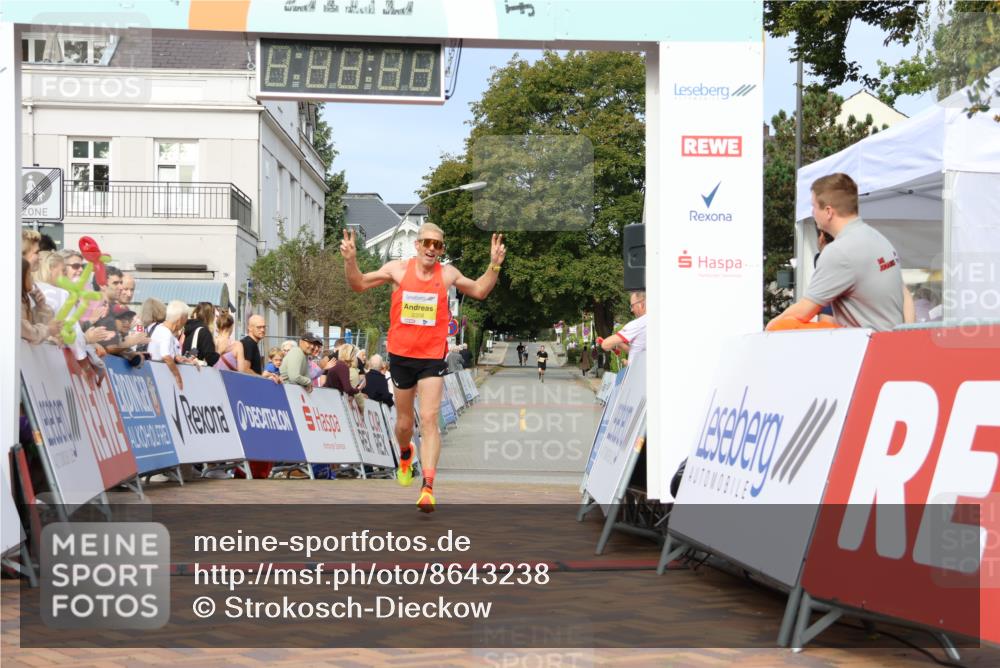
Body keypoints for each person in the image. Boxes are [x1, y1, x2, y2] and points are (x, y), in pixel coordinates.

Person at [342, 223, 506, 512]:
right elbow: (359, 284)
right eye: (427, 243)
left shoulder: (448, 274)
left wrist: (494, 265)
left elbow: (480, 290)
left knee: (430, 419)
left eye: (437, 245)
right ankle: (406, 453)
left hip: (432, 357)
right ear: (417, 245)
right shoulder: (397, 270)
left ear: (441, 250)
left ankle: (427, 487)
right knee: (405, 424)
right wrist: (350, 260)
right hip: (401, 357)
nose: (432, 248)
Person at [767, 173, 904, 331]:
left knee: (782, 326)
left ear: (828, 211)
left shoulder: (840, 251)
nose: (812, 213)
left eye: (814, 206)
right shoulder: (878, 238)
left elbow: (803, 311)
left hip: (866, 343)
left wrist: (769, 328)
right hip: (888, 339)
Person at [148, 299, 188, 389]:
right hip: (160, 379)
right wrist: (177, 376)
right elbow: (165, 355)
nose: (186, 321)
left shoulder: (161, 329)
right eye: (186, 318)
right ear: (180, 319)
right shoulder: (166, 333)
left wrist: (177, 357)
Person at [599, 290, 647, 364]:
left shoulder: (637, 324)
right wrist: (619, 343)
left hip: (637, 371)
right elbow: (639, 350)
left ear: (641, 304)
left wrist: (611, 342)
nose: (631, 310)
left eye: (632, 306)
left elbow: (606, 344)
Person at [20, 258, 60, 344]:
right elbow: (29, 333)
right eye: (29, 274)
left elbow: (35, 327)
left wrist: (41, 307)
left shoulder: (25, 301)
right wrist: (49, 329)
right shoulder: (15, 304)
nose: (32, 278)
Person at [240, 314, 280, 383]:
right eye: (259, 327)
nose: (262, 330)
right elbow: (245, 370)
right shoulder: (248, 343)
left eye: (264, 327)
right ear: (250, 328)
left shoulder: (252, 343)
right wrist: (262, 378)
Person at [182, 301, 219, 366]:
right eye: (215, 315)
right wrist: (218, 352)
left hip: (186, 367)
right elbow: (210, 358)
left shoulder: (191, 329)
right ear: (210, 316)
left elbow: (193, 350)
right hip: (196, 370)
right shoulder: (204, 332)